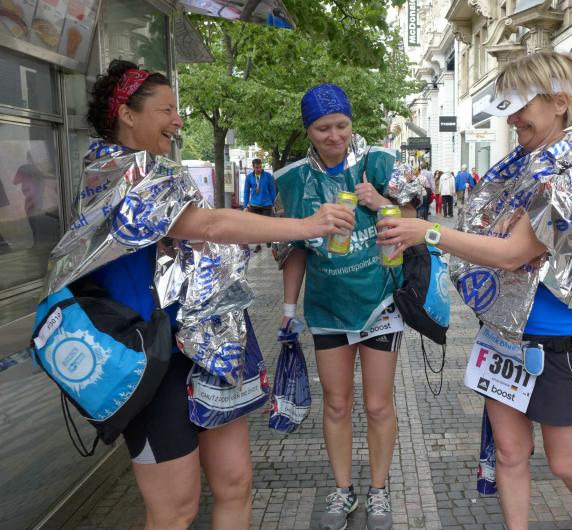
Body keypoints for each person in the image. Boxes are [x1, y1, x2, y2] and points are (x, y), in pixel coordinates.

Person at [46, 61, 355, 530]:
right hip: (152, 363)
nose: (178, 120)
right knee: (175, 511)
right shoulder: (114, 173)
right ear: (127, 114)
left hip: (211, 351)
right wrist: (306, 225)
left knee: (235, 485)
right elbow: (207, 225)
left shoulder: (158, 169)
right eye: (166, 109)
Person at [376, 51, 572, 530]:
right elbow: (491, 235)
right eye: (505, 106)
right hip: (502, 335)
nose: (511, 118)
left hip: (560, 342)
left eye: (519, 105)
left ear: (559, 102)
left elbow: (511, 254)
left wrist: (428, 231)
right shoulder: (520, 166)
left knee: (563, 461)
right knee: (510, 453)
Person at [276, 83, 413, 530]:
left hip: (379, 304)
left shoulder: (379, 163)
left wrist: (383, 203)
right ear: (308, 130)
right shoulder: (293, 180)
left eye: (341, 125)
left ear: (352, 123)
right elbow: (295, 250)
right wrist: (289, 310)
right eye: (323, 128)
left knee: (377, 405)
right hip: (327, 309)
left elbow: (415, 221)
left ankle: (379, 490)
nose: (334, 135)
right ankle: (343, 489)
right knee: (336, 404)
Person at [242, 158, 277, 252]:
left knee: (266, 224)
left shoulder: (268, 176)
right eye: (257, 167)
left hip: (266, 204)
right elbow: (246, 192)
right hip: (254, 205)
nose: (259, 169)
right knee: (256, 226)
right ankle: (258, 244)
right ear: (253, 167)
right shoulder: (249, 177)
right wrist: (245, 206)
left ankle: (267, 238)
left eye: (260, 167)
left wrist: (274, 204)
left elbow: (272, 190)